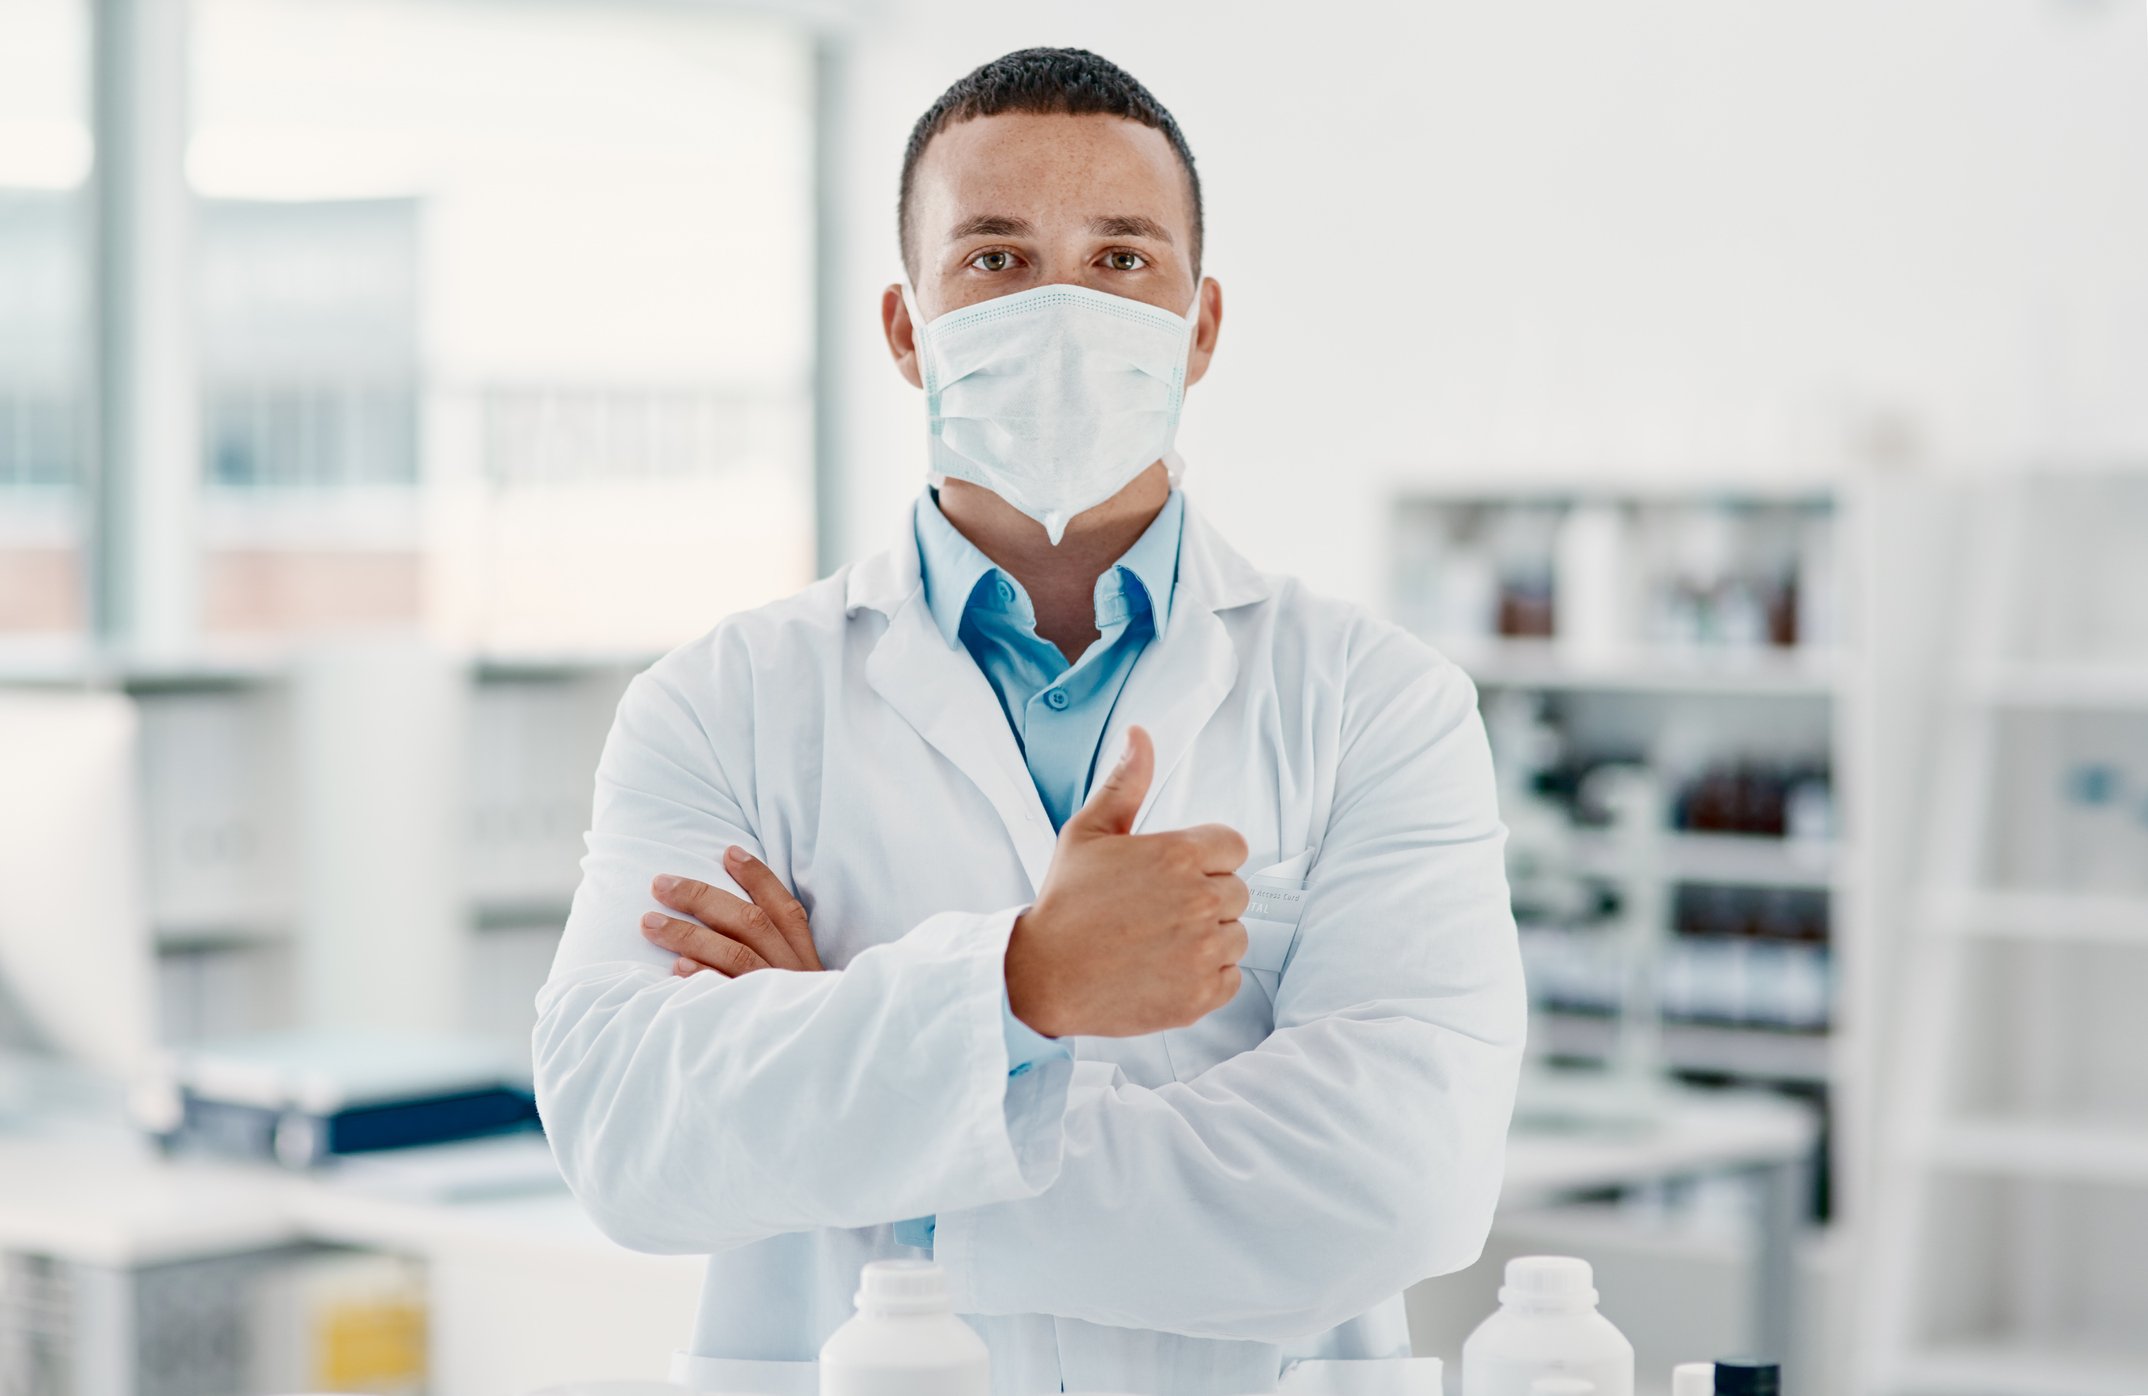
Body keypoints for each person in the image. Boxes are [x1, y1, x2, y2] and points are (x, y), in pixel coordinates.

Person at [534, 47, 1526, 1396]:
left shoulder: (1377, 705)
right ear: (906, 327)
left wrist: (869, 1105)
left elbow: (1394, 1186)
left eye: (1122, 260)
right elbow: (629, 1135)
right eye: (996, 260)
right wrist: (1021, 987)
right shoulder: (723, 706)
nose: (1064, 308)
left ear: (1202, 324)